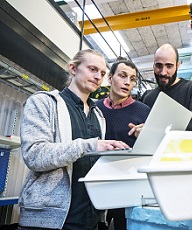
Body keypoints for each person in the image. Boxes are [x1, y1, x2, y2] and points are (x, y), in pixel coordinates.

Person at [18, 49, 130, 230]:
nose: (98, 77)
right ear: (73, 68)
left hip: (89, 219)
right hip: (48, 220)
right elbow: (35, 155)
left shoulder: (98, 116)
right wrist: (90, 145)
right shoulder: (43, 103)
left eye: (102, 73)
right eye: (92, 69)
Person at [95, 59, 151, 229]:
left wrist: (147, 136)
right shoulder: (94, 109)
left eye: (132, 79)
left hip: (130, 188)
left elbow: (154, 151)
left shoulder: (144, 111)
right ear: (110, 78)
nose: (128, 82)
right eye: (123, 76)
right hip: (99, 184)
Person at [142, 43, 192, 131]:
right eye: (159, 66)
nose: (163, 72)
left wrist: (157, 121)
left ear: (178, 65)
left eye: (169, 66)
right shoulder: (149, 98)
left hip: (191, 144)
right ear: (153, 66)